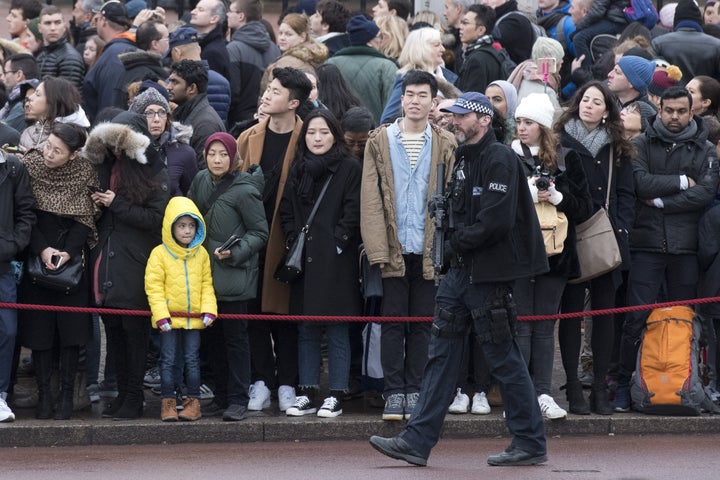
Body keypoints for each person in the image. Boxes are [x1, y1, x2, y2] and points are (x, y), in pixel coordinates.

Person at [369, 91, 548, 466]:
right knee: (441, 356)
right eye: (452, 114)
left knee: (503, 358)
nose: (453, 120)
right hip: (461, 272)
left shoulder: (500, 159)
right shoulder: (465, 158)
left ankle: (530, 441)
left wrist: (453, 244)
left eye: (461, 115)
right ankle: (417, 441)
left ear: (483, 119)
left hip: (488, 274)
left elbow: (495, 222)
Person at [613, 86, 719, 412]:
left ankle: (689, 383)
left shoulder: (706, 150)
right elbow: (640, 183)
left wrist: (660, 201)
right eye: (669, 110)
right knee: (635, 319)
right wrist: (682, 181)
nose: (674, 116)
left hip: (687, 248)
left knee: (688, 320)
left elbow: (705, 193)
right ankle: (622, 384)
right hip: (645, 245)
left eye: (681, 111)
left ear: (692, 113)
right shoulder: (640, 144)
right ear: (659, 110)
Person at [361, 71, 456, 421]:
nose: (415, 100)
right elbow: (370, 197)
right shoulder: (380, 140)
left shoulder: (446, 142)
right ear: (401, 99)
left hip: (431, 248)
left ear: (434, 102)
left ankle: (415, 388)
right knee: (392, 322)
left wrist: (447, 247)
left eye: (423, 95)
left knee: (422, 323)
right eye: (409, 94)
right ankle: (393, 391)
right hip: (393, 246)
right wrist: (378, 248)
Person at [554, 80, 635, 415]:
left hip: (605, 235)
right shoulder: (559, 140)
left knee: (604, 315)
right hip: (570, 236)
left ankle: (600, 387)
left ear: (607, 110)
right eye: (584, 99)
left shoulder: (617, 146)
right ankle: (573, 386)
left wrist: (622, 229)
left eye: (596, 101)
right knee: (570, 314)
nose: (588, 105)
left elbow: (626, 193)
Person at [84, 111, 170, 420]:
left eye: (120, 145)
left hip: (137, 263)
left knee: (134, 335)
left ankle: (134, 398)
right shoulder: (105, 167)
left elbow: (156, 220)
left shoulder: (154, 173)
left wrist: (115, 203)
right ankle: (122, 395)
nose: (115, 151)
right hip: (106, 260)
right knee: (115, 333)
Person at [513, 92, 592, 420]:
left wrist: (558, 196)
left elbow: (586, 207)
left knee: (545, 325)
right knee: (520, 325)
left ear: (543, 126)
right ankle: (520, 396)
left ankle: (543, 392)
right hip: (516, 254)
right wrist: (525, 193)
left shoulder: (566, 158)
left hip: (555, 255)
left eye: (528, 122)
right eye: (518, 121)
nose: (521, 127)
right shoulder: (507, 156)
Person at [237, 66, 312, 413]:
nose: (267, 94)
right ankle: (261, 381)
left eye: (277, 91)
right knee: (252, 313)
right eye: (268, 88)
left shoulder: (308, 138)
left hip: (290, 241)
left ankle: (287, 383)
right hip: (252, 239)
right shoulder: (248, 136)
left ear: (294, 102)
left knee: (286, 316)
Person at [279, 109, 361, 418]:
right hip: (305, 261)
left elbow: (353, 211)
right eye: (312, 132)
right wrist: (291, 238)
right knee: (307, 330)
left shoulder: (349, 168)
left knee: (338, 331)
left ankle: (336, 393)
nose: (317, 138)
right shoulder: (298, 167)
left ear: (335, 136)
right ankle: (308, 392)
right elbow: (287, 209)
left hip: (337, 263)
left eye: (324, 132)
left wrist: (338, 241)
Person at [18, 123, 96, 420]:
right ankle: (44, 396)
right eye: (48, 146)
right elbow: (24, 210)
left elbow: (88, 215)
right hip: (38, 252)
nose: (49, 154)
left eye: (58, 151)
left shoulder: (85, 171)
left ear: (73, 155)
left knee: (71, 332)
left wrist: (69, 251)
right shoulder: (30, 164)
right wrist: (42, 249)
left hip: (72, 258)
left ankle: (66, 395)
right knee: (40, 331)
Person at [188, 132, 268, 422]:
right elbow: (190, 216)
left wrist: (234, 254)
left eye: (223, 154)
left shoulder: (245, 189)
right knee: (212, 339)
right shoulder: (199, 180)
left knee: (236, 339)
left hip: (234, 275)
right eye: (212, 154)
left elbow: (260, 232)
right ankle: (220, 395)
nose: (217, 160)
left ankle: (238, 398)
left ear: (234, 158)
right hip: (204, 275)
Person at [145, 196, 217, 422]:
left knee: (192, 360)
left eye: (191, 225)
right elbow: (153, 286)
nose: (187, 231)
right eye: (181, 225)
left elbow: (207, 284)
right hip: (168, 320)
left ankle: (193, 403)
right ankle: (168, 402)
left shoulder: (202, 254)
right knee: (167, 360)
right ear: (171, 227)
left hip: (194, 319)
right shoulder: (159, 253)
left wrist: (209, 310)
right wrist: (160, 315)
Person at [0, 149, 35, 423]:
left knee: (8, 331)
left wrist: (13, 245)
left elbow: (26, 212)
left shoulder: (13, 167)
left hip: (3, 265)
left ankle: (0, 395)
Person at [326, 15, 397, 125]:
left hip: (338, 133)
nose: (381, 40)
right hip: (375, 134)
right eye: (379, 36)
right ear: (368, 41)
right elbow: (393, 107)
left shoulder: (330, 64)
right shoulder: (386, 67)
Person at [129, 83, 198, 196]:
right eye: (149, 113)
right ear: (138, 117)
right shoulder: (127, 150)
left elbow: (191, 195)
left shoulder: (184, 152)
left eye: (162, 112)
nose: (157, 119)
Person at [379, 27, 459, 124]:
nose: (443, 49)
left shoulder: (447, 77)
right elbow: (387, 120)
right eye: (437, 45)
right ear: (422, 49)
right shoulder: (408, 79)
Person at [226, 0, 281, 123]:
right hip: (267, 117)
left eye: (230, 11)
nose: (227, 14)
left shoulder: (234, 49)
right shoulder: (274, 48)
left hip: (238, 120)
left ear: (241, 16)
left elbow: (233, 92)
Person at [82, 0, 136, 123]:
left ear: (104, 21)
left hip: (108, 129)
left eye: (97, 19)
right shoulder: (123, 48)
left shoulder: (115, 55)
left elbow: (111, 102)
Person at [167, 59, 226, 166]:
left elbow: (206, 172)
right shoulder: (184, 113)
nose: (169, 87)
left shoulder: (205, 124)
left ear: (192, 88)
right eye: (169, 81)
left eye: (175, 82)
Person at [652, 0, 720, 81]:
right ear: (699, 20)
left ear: (676, 20)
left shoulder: (658, 43)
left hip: (669, 92)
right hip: (706, 92)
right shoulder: (716, 45)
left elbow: (653, 75)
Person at [20, 76, 91, 152]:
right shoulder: (29, 132)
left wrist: (26, 158)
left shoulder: (74, 137)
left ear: (53, 101)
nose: (30, 98)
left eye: (37, 94)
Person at [454, 4, 504, 94]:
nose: (460, 27)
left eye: (465, 23)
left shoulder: (476, 59)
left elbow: (471, 100)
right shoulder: (492, 52)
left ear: (481, 30)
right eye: (461, 23)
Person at [35, 5, 86, 89]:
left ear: (64, 27)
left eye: (57, 23)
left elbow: (67, 97)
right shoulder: (41, 55)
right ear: (40, 28)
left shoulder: (70, 58)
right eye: (48, 23)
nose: (53, 28)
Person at [571, 0, 628, 69]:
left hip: (617, 20)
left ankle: (585, 73)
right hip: (618, 17)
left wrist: (578, 28)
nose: (569, 11)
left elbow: (597, 11)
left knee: (579, 38)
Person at [485, 80, 517, 144]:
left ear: (510, 103)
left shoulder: (520, 133)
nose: (490, 104)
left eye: (497, 100)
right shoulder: (480, 129)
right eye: (487, 99)